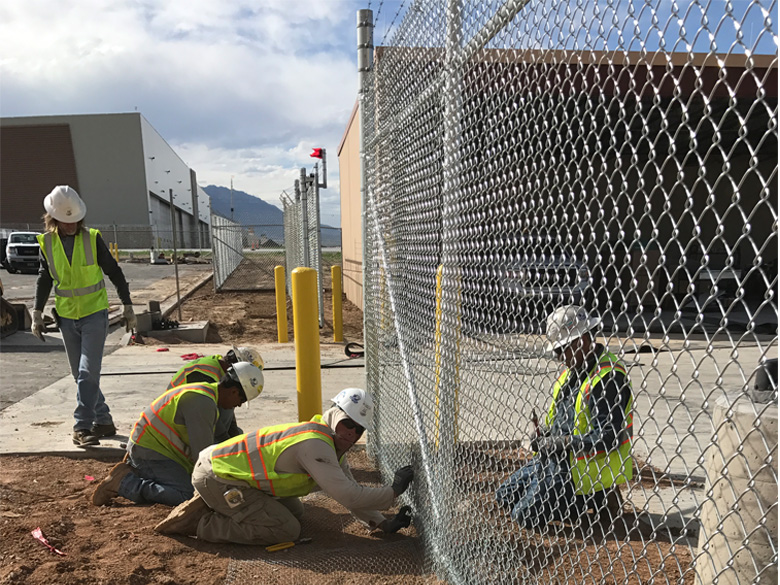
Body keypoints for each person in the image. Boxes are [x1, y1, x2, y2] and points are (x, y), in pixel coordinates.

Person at [154, 388, 415, 544]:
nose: (352, 434)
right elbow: (347, 494)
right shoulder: (316, 445)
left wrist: (381, 523)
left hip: (232, 473)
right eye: (348, 424)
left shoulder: (329, 442)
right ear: (335, 415)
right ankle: (200, 523)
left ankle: (223, 506)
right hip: (217, 476)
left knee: (294, 510)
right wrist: (392, 492)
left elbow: (349, 491)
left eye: (359, 430)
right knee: (285, 530)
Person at [495, 305, 633, 529]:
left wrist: (563, 442)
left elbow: (609, 437)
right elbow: (563, 420)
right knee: (505, 496)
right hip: (555, 459)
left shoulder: (607, 379)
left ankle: (595, 497)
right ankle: (571, 499)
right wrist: (545, 435)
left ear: (581, 341)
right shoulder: (572, 371)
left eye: (562, 349)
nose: (559, 356)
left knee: (524, 515)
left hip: (580, 470)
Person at [32, 186, 137, 447]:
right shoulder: (46, 243)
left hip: (94, 314)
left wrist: (128, 305)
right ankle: (103, 421)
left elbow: (114, 271)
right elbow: (44, 278)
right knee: (79, 375)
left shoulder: (92, 238)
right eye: (66, 221)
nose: (71, 225)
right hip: (66, 316)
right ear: (53, 218)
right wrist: (36, 311)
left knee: (88, 371)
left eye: (75, 220)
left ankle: (82, 426)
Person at [91, 362, 265, 507]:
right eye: (241, 401)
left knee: (198, 484)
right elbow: (203, 459)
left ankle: (142, 473)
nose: (239, 406)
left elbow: (221, 442)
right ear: (234, 391)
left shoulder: (208, 395)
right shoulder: (202, 403)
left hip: (161, 450)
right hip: (150, 452)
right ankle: (124, 483)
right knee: (188, 496)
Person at [168, 346, 264, 443]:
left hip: (187, 414)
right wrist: (226, 444)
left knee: (237, 430)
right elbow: (208, 413)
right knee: (225, 406)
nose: (239, 405)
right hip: (174, 419)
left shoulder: (220, 368)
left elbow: (231, 416)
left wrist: (236, 440)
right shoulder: (204, 374)